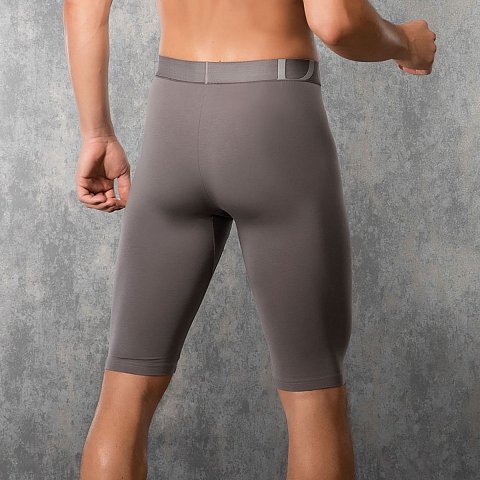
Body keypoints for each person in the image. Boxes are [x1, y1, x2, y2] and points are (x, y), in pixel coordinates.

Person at [63, 0, 436, 478]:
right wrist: (405, 42)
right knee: (313, 399)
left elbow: (82, 9)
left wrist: (96, 134)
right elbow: (337, 22)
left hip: (172, 118)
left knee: (126, 390)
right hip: (274, 119)